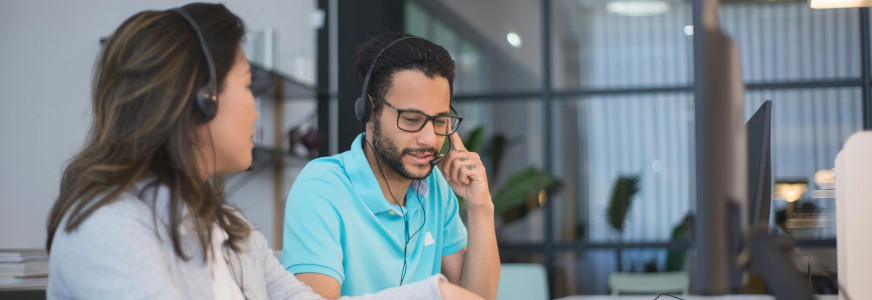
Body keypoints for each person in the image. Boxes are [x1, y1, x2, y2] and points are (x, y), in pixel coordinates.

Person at [45, 4, 481, 299]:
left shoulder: (226, 228)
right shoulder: (106, 227)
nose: (257, 107)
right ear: (200, 101)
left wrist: (433, 292)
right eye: (247, 86)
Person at [281, 33, 500, 299]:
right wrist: (431, 293)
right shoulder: (322, 188)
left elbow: (478, 296)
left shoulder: (436, 189)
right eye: (411, 119)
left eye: (440, 121)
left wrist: (481, 207)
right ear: (370, 111)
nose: (430, 139)